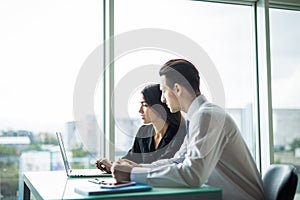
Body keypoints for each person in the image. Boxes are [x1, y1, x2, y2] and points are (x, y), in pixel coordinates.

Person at [111, 59, 265, 200]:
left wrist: (132, 174)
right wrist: (138, 168)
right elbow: (178, 160)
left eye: (164, 91)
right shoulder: (197, 117)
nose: (162, 99)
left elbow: (193, 175)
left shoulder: (207, 116)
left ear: (177, 89)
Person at [96, 83, 186, 173]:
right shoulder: (143, 131)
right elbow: (131, 159)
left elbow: (162, 166)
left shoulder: (180, 133)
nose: (140, 110)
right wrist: (112, 165)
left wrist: (117, 167)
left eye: (145, 105)